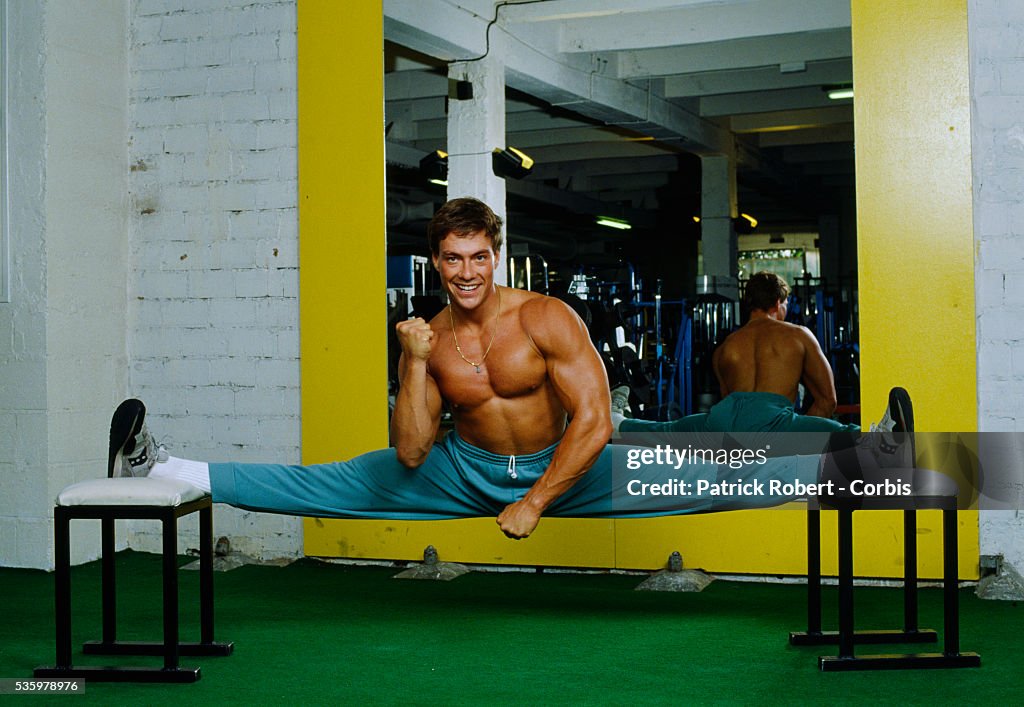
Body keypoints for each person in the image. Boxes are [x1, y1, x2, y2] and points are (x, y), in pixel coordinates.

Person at [110, 200, 899, 541]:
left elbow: (594, 419)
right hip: (465, 466)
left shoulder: (547, 317)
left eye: (478, 257)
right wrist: (414, 365)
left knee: (715, 467)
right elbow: (414, 450)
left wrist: (536, 499)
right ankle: (164, 466)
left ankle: (874, 452)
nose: (465, 272)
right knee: (327, 480)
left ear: (497, 253)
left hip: (569, 467)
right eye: (451, 259)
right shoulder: (426, 334)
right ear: (437, 261)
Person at [612, 271, 911, 438]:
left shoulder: (726, 346)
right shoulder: (797, 335)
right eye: (786, 304)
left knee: (669, 431)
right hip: (771, 420)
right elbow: (827, 401)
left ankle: (614, 422)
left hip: (724, 420)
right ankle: (880, 439)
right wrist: (797, 437)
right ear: (779, 302)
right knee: (839, 432)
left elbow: (731, 404)